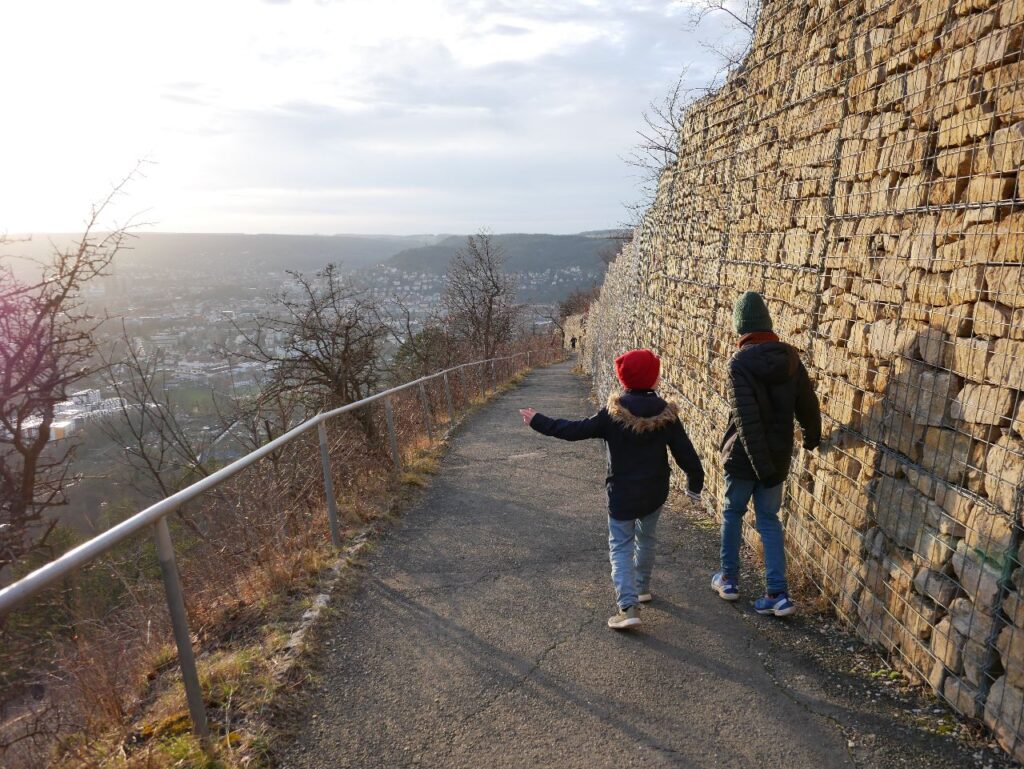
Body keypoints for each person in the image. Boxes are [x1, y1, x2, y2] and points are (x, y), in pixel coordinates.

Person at [519, 349, 704, 630]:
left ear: (623, 379)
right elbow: (686, 454)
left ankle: (628, 606)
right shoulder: (667, 415)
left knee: (620, 546)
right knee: (647, 539)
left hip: (622, 495)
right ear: (654, 380)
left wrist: (538, 421)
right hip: (655, 492)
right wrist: (694, 485)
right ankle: (642, 587)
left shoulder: (612, 415)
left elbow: (574, 430)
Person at [711, 291, 821, 617]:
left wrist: (760, 467)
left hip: (746, 459)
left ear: (740, 328)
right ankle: (778, 594)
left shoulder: (738, 363)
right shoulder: (790, 358)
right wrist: (812, 436)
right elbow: (807, 403)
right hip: (776, 457)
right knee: (769, 520)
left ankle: (729, 579)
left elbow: (746, 421)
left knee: (732, 512)